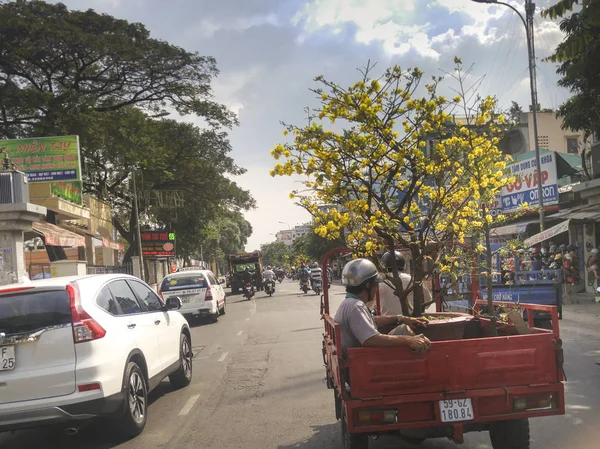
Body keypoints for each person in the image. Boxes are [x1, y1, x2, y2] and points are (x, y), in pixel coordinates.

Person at [334, 258, 431, 357]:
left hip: (360, 355)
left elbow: (372, 320)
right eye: (375, 285)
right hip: (364, 358)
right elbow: (370, 339)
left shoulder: (350, 303)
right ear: (368, 286)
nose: (376, 288)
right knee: (407, 333)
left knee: (404, 329)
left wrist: (401, 318)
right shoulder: (356, 306)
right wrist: (409, 340)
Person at [379, 251, 432, 316]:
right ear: (403, 264)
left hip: (389, 323)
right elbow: (427, 301)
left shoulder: (380, 283)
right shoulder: (413, 280)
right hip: (412, 320)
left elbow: (371, 306)